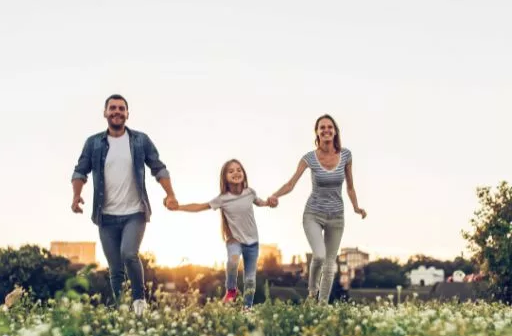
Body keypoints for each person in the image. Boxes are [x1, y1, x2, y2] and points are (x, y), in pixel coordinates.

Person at [71, 94, 178, 316]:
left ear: (127, 114)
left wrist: (170, 194)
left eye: (121, 108)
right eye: (112, 108)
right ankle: (122, 309)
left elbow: (158, 167)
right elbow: (80, 171)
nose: (117, 112)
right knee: (116, 270)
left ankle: (139, 302)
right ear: (105, 113)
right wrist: (76, 196)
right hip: (106, 215)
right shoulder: (93, 143)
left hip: (135, 212)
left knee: (129, 254)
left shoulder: (141, 140)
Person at [267, 114, 367, 303]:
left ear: (335, 131)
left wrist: (356, 207)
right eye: (322, 127)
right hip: (313, 214)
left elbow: (350, 186)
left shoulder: (346, 155)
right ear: (317, 133)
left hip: (336, 217)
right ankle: (312, 291)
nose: (326, 130)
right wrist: (275, 195)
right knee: (319, 255)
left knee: (330, 265)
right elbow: (291, 183)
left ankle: (321, 307)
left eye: (330, 127)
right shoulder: (309, 158)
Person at [169, 159, 272, 309]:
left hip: (252, 242)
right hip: (234, 239)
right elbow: (200, 206)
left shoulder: (250, 192)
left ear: (244, 173)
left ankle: (247, 308)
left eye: (239, 170)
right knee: (233, 260)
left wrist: (269, 202)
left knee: (250, 279)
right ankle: (231, 289)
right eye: (231, 171)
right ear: (225, 178)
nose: (236, 173)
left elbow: (261, 202)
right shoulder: (222, 199)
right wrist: (178, 207)